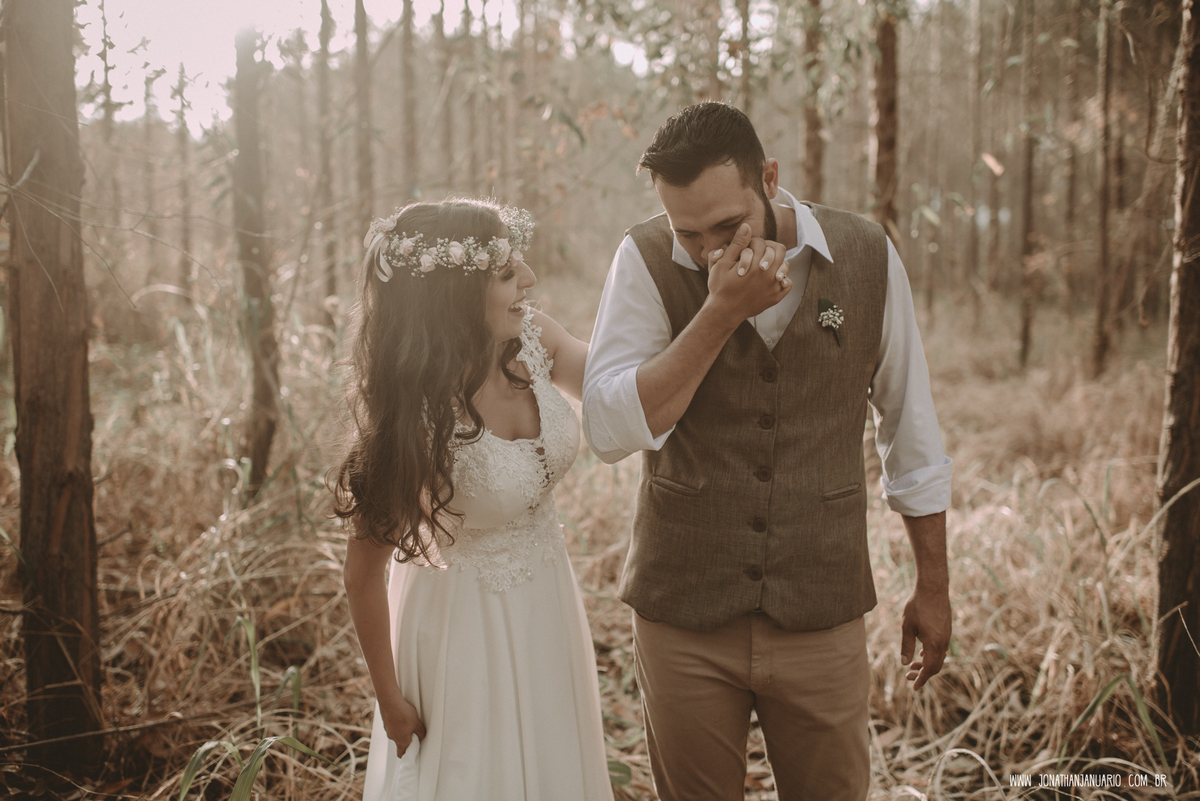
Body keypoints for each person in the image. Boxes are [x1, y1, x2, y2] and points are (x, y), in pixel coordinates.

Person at [581, 101, 953, 800]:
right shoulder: (643, 257)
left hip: (822, 602)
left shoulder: (868, 253)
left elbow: (911, 426)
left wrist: (933, 583)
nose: (709, 248)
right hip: (683, 608)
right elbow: (606, 428)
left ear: (771, 178)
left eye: (727, 225)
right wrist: (719, 310)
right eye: (687, 232)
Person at [333, 199, 613, 801]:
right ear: (457, 297)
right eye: (508, 273)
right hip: (461, 631)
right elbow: (363, 572)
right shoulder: (414, 412)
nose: (530, 281)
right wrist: (391, 701)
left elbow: (618, 384)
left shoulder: (533, 339)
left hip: (546, 606)